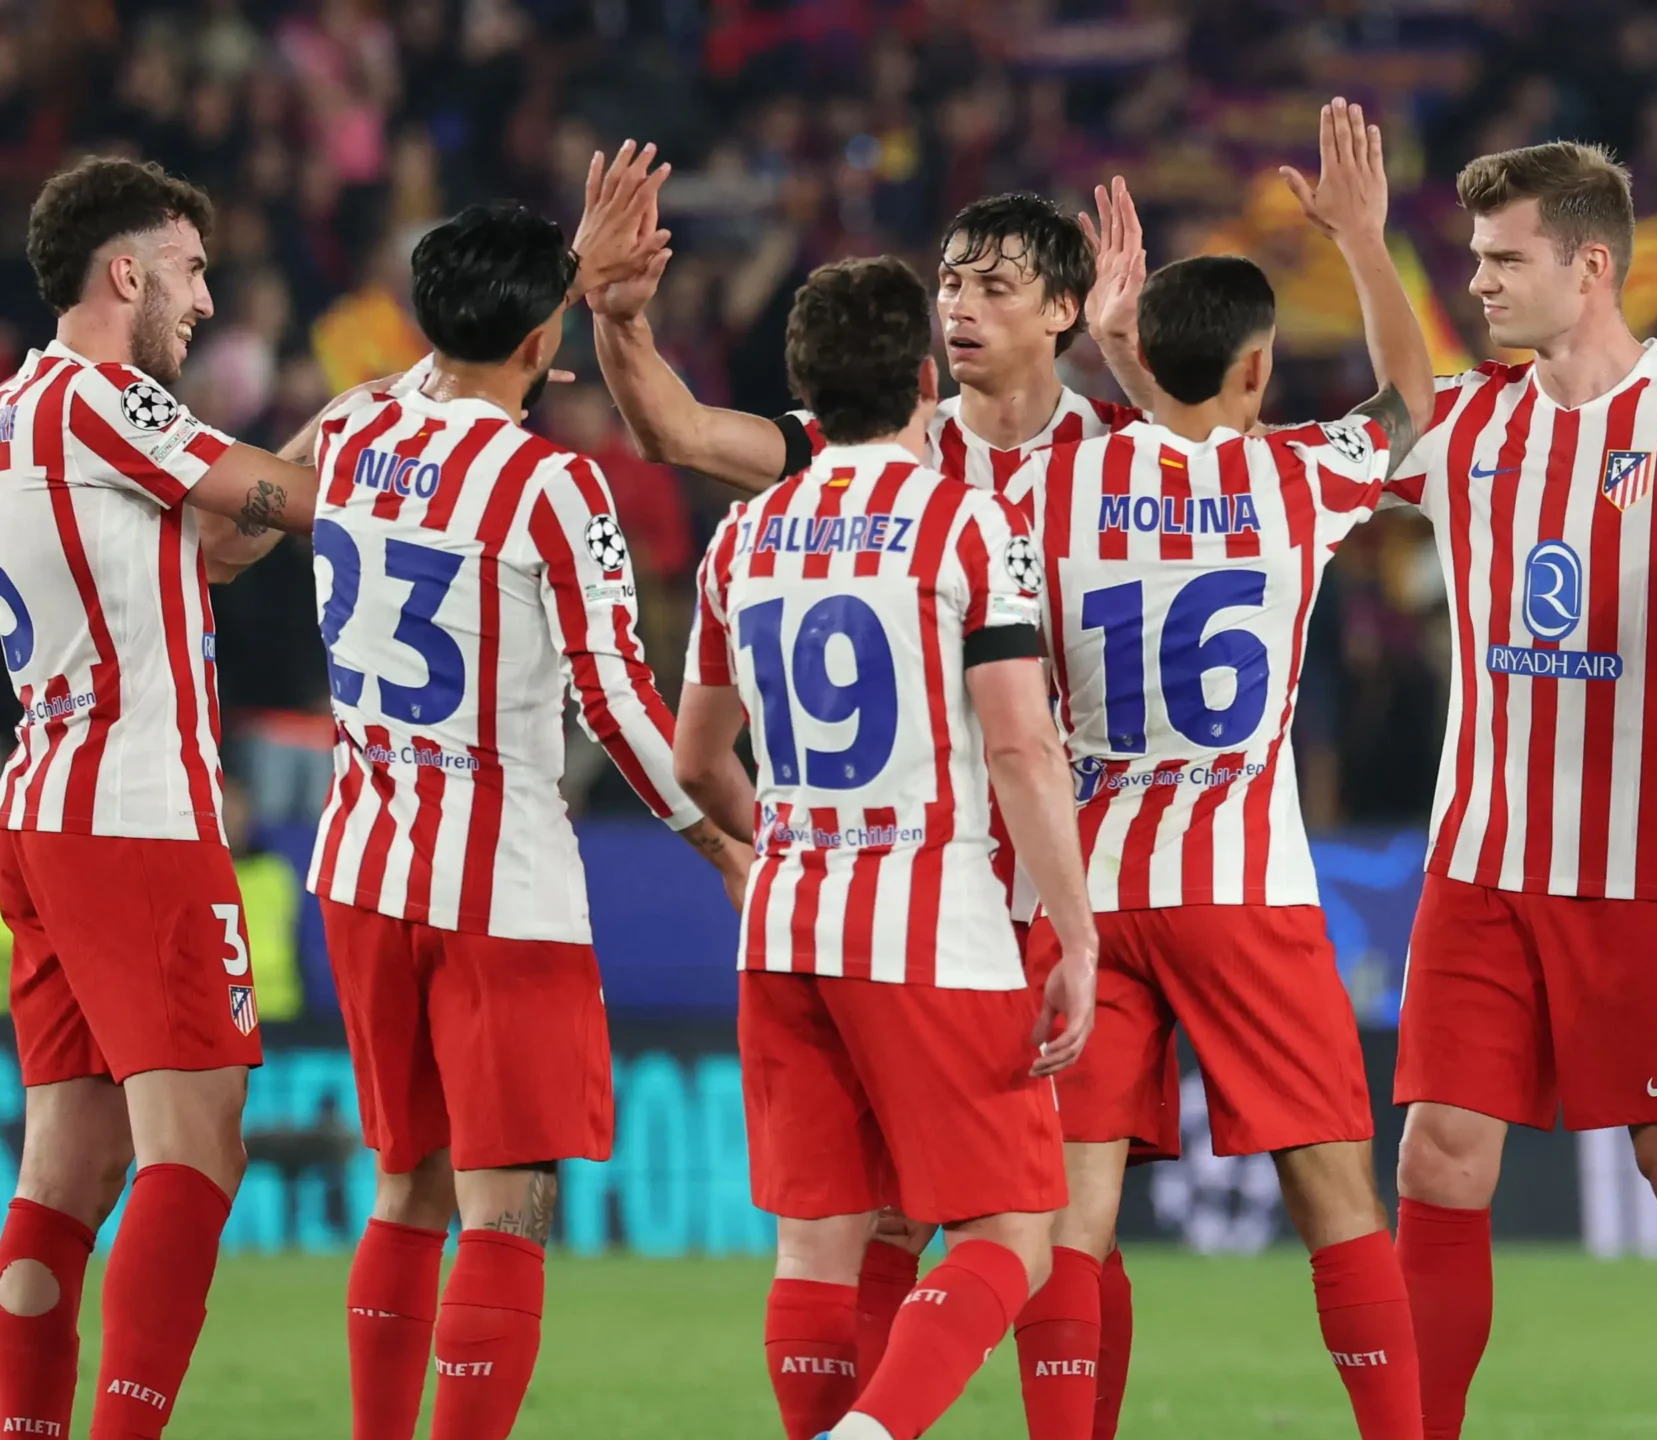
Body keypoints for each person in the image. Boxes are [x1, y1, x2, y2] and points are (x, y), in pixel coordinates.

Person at [589, 187, 1149, 1415]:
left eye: (993, 284)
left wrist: (1131, 355)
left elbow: (697, 760)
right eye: (947, 280)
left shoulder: (1120, 444)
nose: (959, 302)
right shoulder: (927, 483)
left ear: (1060, 310)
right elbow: (677, 430)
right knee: (994, 1219)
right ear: (911, 352)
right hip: (952, 896)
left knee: (953, 1226)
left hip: (874, 893)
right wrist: (623, 329)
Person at [997, 98, 1435, 1440]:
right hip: (1244, 883)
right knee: (1333, 1192)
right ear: (1255, 374)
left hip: (1083, 892)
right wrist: (1363, 241)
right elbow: (1412, 403)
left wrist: (1115, 351)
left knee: (1074, 1210)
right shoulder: (1294, 481)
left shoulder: (1044, 486)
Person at [1378, 139, 1657, 1440]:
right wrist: (1357, 236)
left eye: (1505, 260)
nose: (1482, 282)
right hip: (1483, 861)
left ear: (1592, 265)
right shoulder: (1480, 421)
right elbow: (1409, 406)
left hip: (1644, 877)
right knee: (1438, 1160)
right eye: (1474, 259)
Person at [311, 191, 750, 1440]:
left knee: (406, 1190)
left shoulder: (351, 431)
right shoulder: (553, 487)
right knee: (506, 1212)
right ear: (542, 345)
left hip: (361, 865)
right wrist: (718, 839)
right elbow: (615, 700)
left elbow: (439, 368)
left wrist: (552, 283)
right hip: (496, 884)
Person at [0, 154, 378, 1440]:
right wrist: (397, 444)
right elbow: (291, 503)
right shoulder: (104, 398)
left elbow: (209, 547)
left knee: (72, 1163)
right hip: (133, 810)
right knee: (197, 1148)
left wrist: (308, 444)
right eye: (191, 272)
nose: (203, 304)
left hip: (47, 808)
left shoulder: (24, 412)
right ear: (126, 271)